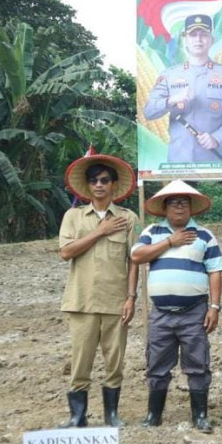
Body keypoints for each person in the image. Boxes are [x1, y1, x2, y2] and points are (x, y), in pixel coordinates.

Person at [132, 181, 222, 434]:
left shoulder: (205, 235)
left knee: (197, 363)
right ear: (164, 208)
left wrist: (214, 307)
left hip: (194, 311)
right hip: (160, 313)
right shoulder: (152, 232)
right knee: (156, 363)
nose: (179, 206)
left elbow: (215, 272)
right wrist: (170, 242)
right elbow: (137, 256)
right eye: (173, 202)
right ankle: (154, 415)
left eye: (184, 202)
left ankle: (200, 416)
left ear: (192, 207)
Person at [58, 153, 139, 428]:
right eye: (94, 181)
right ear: (88, 186)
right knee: (80, 362)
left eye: (105, 180)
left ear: (114, 185)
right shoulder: (74, 217)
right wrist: (100, 231)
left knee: (115, 362)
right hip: (81, 302)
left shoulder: (128, 219)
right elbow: (66, 252)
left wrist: (131, 298)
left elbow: (134, 261)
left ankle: (111, 415)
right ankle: (77, 417)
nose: (99, 185)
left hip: (116, 302)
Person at [143, 14, 222, 163]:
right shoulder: (169, 75)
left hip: (214, 164)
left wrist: (217, 138)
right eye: (192, 34)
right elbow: (149, 112)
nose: (198, 39)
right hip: (178, 164)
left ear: (212, 40)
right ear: (185, 39)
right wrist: (171, 100)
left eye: (203, 34)